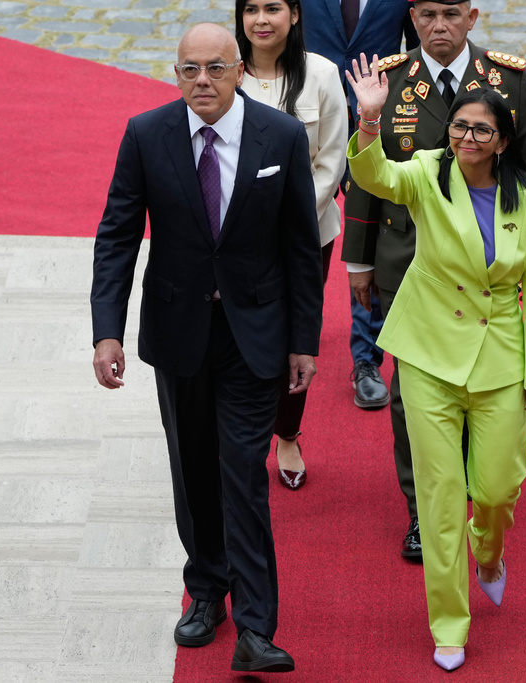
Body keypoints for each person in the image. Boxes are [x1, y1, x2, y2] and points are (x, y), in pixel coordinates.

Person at [90, 23, 323, 673]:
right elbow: (116, 235)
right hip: (179, 331)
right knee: (193, 469)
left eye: (215, 68)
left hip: (255, 333)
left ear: (240, 71)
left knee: (243, 472)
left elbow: (301, 246)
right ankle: (206, 589)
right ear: (176, 73)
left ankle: (256, 625)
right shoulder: (147, 134)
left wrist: (304, 339)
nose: (202, 80)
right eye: (189, 69)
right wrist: (106, 329)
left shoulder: (281, 136)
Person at [346, 58, 526, 670]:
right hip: (429, 354)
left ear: (503, 141)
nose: (468, 137)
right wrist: (369, 120)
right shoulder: (426, 171)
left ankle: (487, 552)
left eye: (482, 130)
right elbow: (375, 175)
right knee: (440, 497)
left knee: (496, 489)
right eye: (460, 126)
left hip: (502, 358)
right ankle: (449, 625)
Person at [236, 0, 346, 490]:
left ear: (295, 15)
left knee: (296, 336)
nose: (261, 20)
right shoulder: (226, 71)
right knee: (237, 332)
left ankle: (286, 434)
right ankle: (239, 434)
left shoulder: (322, 74)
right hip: (235, 236)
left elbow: (332, 160)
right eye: (251, 9)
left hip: (306, 234)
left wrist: (289, 217)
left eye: (273, 8)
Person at [301, 0, 422, 411]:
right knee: (303, 228)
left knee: (369, 237)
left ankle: (366, 360)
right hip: (309, 118)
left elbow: (417, 47)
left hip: (375, 120)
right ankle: (293, 327)